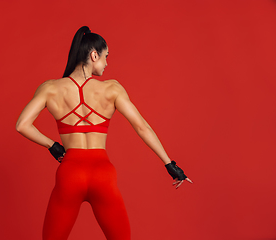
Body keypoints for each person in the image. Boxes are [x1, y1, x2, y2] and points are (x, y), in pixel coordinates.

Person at [16, 26, 192, 240]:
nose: (107, 63)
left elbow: (22, 125)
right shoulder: (112, 89)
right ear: (93, 55)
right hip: (103, 174)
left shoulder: (50, 88)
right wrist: (169, 164)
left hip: (70, 173)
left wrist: (52, 145)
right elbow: (142, 127)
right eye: (105, 56)